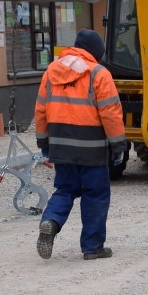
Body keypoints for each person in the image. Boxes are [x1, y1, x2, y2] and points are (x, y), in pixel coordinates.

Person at [34, 30, 126, 261]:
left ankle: (51, 221)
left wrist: (44, 142)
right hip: (92, 146)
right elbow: (111, 114)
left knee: (65, 189)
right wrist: (118, 146)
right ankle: (93, 247)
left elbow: (41, 109)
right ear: (96, 52)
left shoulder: (52, 71)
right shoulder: (99, 73)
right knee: (95, 193)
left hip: (61, 144)